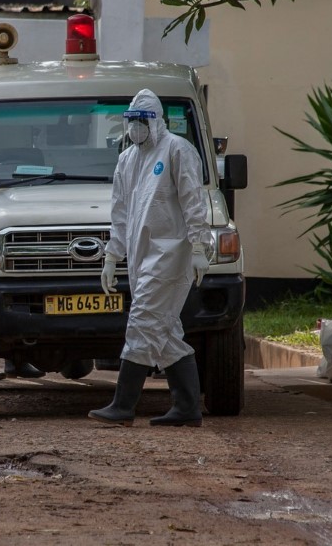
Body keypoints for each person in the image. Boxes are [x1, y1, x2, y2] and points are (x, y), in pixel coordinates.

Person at [89, 89, 212, 428]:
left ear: (156, 121)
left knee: (143, 322)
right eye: (131, 121)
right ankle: (187, 408)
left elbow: (193, 203)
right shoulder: (127, 160)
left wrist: (199, 248)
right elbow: (120, 214)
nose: (135, 128)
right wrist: (112, 257)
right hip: (141, 258)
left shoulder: (177, 150)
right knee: (166, 331)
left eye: (142, 121)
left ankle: (123, 404)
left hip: (172, 255)